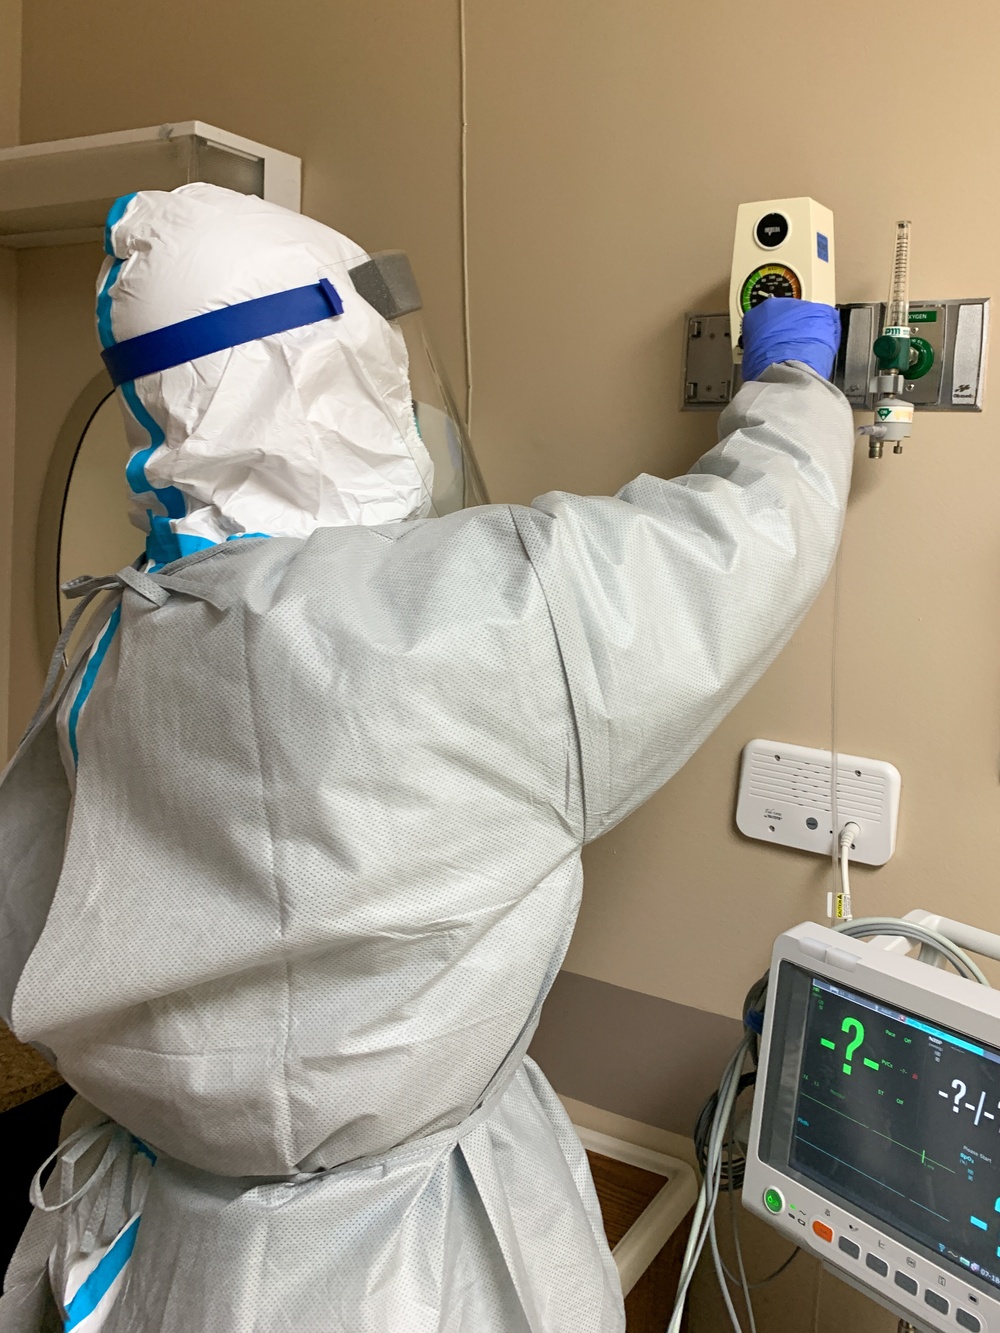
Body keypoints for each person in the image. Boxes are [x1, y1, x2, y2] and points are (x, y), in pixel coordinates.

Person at [0, 184, 851, 1333]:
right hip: (405, 1267)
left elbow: (31, 923)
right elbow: (752, 533)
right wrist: (791, 378)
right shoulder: (488, 610)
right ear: (328, 371)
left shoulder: (106, 640)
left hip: (152, 1251)